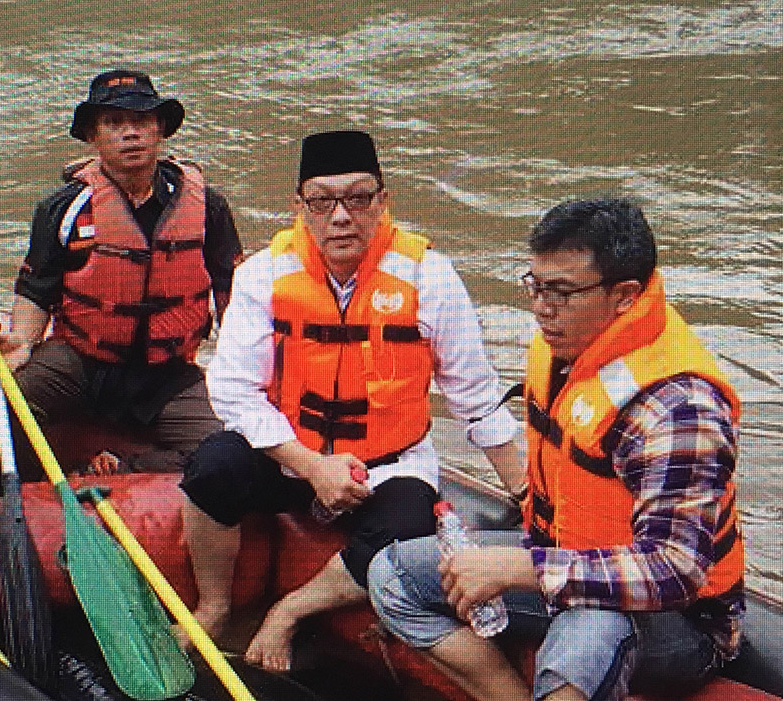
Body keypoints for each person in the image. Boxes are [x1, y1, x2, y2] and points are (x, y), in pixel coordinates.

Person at [367, 198, 746, 701]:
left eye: (562, 292)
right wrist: (525, 562)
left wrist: (518, 570)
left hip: (675, 621)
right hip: (559, 555)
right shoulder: (563, 341)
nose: (542, 308)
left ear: (626, 297)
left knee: (583, 634)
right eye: (537, 286)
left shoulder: (678, 409)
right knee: (393, 575)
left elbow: (674, 570)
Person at [180, 130, 525, 670]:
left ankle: (289, 612)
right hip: (291, 458)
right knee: (211, 467)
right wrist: (312, 467)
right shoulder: (261, 275)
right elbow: (231, 389)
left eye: (358, 198)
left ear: (382, 201)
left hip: (388, 468)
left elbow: (476, 397)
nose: (341, 216)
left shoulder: (429, 275)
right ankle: (215, 605)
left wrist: (528, 492)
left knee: (409, 527)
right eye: (323, 200)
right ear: (301, 207)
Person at [0, 69, 242, 486]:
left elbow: (231, 293)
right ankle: (27, 498)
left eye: (140, 122)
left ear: (159, 130)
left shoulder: (207, 206)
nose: (130, 134)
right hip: (82, 361)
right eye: (114, 123)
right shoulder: (63, 208)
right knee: (5, 398)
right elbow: (36, 290)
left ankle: (124, 470)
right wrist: (22, 346)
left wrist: (244, 367)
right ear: (93, 136)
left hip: (169, 372)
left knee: (230, 446)